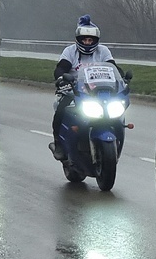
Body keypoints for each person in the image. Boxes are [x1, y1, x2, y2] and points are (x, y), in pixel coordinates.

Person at [49, 15, 117, 160]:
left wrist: (121, 80)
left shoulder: (103, 51)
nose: (87, 42)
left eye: (90, 40)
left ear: (96, 41)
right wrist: (62, 80)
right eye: (84, 40)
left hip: (99, 91)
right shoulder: (70, 51)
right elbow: (61, 68)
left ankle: (116, 133)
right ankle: (58, 142)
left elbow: (113, 67)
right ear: (78, 40)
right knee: (61, 108)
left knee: (117, 110)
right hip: (74, 90)